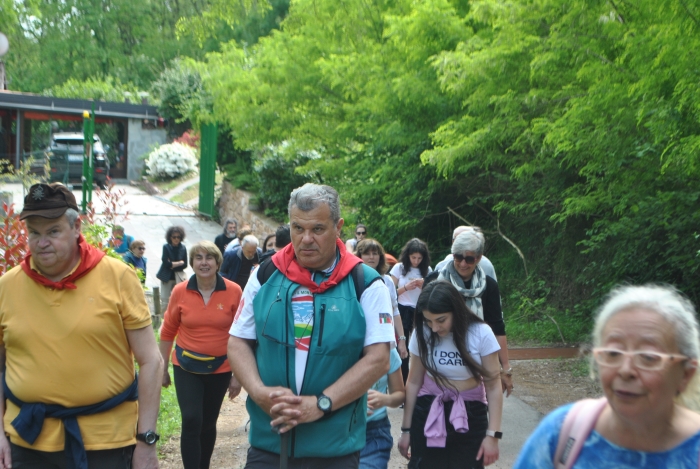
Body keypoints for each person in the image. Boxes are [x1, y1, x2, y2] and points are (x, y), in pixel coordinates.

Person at [228, 183, 395, 468]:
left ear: (338, 226)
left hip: (334, 450)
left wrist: (320, 405)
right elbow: (238, 341)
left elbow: (378, 360)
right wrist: (257, 392)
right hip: (269, 442)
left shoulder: (365, 283)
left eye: (317, 229)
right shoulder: (265, 274)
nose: (306, 239)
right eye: (297, 228)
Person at [0, 183, 163, 469]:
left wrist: (146, 440)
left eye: (53, 231)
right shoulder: (7, 287)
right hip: (27, 441)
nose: (42, 242)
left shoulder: (118, 277)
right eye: (34, 233)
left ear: (76, 227)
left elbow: (151, 361)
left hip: (106, 443)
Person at [514, 284, 700, 469]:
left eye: (648, 357)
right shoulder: (560, 432)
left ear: (686, 374)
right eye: (613, 353)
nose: (625, 370)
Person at [398, 281, 503, 469]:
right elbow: (413, 382)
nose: (435, 328)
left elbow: (494, 386)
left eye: (441, 320)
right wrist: (406, 430)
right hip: (428, 409)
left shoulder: (481, 333)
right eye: (428, 321)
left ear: (456, 310)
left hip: (470, 413)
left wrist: (492, 435)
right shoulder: (422, 332)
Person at [159, 241, 243, 469]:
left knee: (207, 423)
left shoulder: (234, 291)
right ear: (192, 262)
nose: (203, 262)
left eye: (209, 258)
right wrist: (162, 368)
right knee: (191, 419)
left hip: (221, 367)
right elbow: (167, 331)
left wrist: (238, 375)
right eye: (198, 257)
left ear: (218, 262)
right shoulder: (180, 291)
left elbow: (242, 335)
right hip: (186, 365)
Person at [437, 231, 513, 396]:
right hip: (442, 356)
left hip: (476, 360)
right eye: (458, 257)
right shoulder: (437, 282)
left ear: (478, 258)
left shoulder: (489, 286)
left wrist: (505, 369)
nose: (463, 264)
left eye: (469, 259)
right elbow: (424, 324)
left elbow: (497, 328)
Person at [357, 238, 408, 359]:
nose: (371, 257)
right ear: (359, 256)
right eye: (367, 253)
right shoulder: (352, 279)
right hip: (360, 340)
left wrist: (401, 339)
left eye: (375, 253)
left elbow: (393, 310)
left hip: (385, 339)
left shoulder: (387, 280)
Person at [391, 238, 432, 384]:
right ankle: (402, 384)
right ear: (407, 255)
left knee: (421, 346)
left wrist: (424, 286)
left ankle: (420, 382)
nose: (416, 261)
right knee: (402, 348)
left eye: (419, 258)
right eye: (413, 257)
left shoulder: (427, 270)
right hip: (401, 309)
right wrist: (406, 287)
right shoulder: (398, 268)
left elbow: (432, 294)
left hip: (419, 309)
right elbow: (391, 293)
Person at [362, 347, 404, 469]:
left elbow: (400, 394)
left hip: (373, 431)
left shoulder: (388, 350)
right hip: (337, 432)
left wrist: (385, 399)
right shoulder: (336, 346)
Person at [156, 226, 188, 311]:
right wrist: (178, 263)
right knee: (165, 300)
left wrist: (172, 264)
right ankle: (163, 320)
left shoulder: (183, 248)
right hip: (167, 277)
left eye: (178, 237)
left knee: (178, 300)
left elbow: (185, 264)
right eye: (174, 237)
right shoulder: (166, 247)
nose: (176, 239)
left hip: (178, 277)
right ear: (170, 237)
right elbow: (166, 263)